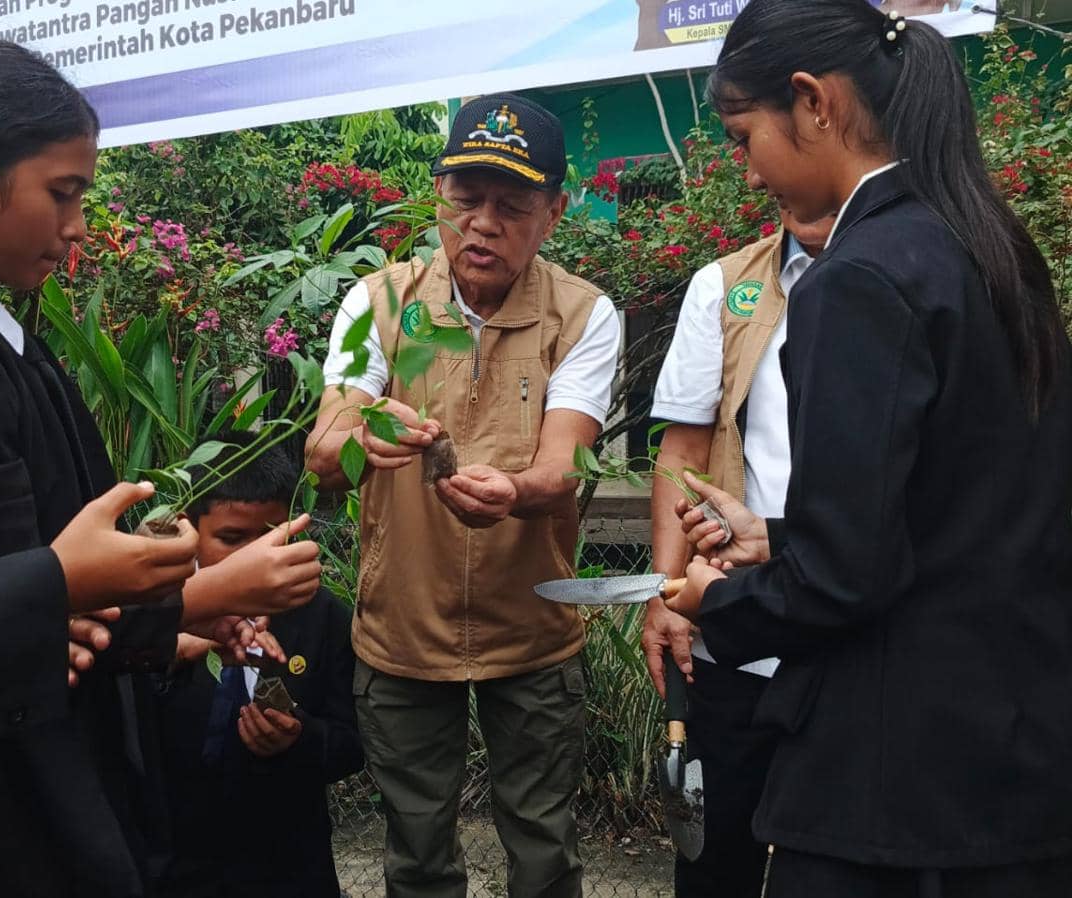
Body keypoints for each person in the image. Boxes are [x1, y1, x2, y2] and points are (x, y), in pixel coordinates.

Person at [0, 35, 322, 897]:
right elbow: (21, 617)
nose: (78, 226)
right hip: (18, 805)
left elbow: (55, 595)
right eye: (62, 192)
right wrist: (204, 593)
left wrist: (169, 608)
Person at [661, 1, 1072, 895]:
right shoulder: (990, 247)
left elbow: (844, 578)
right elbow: (967, 510)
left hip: (898, 781)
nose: (747, 171)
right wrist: (781, 537)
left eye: (743, 137)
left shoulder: (857, 278)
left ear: (813, 101)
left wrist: (717, 599)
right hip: (1015, 747)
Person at [307, 93, 620, 897]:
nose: (482, 224)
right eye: (465, 198)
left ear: (553, 213)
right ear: (438, 195)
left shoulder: (585, 314)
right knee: (416, 855)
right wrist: (359, 438)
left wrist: (515, 491)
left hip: (533, 628)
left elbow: (563, 466)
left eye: (511, 206)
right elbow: (324, 446)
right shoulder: (375, 302)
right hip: (403, 627)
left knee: (545, 851)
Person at [641, 207, 834, 898]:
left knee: (837, 862)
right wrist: (667, 593)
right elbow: (684, 447)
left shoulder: (914, 269)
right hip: (733, 628)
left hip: (854, 644)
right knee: (715, 857)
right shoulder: (726, 285)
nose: (756, 175)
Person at [153, 432, 363, 898]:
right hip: (176, 866)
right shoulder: (152, 617)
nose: (251, 556)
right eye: (231, 539)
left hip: (288, 865)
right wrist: (173, 651)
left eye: (269, 537)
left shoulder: (322, 618)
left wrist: (300, 739)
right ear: (188, 529)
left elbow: (351, 745)